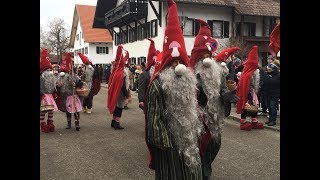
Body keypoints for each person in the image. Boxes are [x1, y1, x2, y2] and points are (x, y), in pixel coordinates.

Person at [145, 0, 204, 178]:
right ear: (167, 63)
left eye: (180, 62)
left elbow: (193, 108)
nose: (177, 66)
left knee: (193, 172)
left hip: (188, 138)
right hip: (168, 144)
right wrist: (163, 141)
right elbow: (154, 117)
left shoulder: (189, 81)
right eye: (173, 62)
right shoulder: (157, 84)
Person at [189, 19, 238, 180]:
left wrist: (229, 94)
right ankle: (202, 174)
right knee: (199, 148)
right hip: (198, 118)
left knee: (215, 145)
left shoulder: (218, 73)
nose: (206, 59)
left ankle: (205, 168)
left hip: (214, 118)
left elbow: (223, 89)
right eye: (202, 55)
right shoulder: (191, 74)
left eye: (208, 54)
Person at [236, 45, 264, 131]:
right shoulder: (248, 73)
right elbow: (245, 85)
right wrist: (248, 96)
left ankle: (254, 121)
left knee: (254, 106)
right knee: (246, 106)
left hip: (253, 93)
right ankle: (243, 122)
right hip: (248, 93)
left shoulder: (254, 71)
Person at [56, 52, 83, 131]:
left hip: (73, 95)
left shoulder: (74, 75)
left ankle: (77, 123)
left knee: (76, 110)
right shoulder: (60, 76)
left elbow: (80, 83)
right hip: (65, 96)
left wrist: (75, 84)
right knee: (68, 110)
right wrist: (58, 85)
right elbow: (56, 85)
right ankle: (69, 123)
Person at [107, 45, 129, 130]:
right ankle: (117, 123)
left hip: (115, 92)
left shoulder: (114, 71)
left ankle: (113, 121)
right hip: (120, 93)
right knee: (119, 108)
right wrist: (127, 95)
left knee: (116, 107)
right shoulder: (121, 73)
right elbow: (123, 86)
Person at [40, 49, 58, 133]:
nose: (49, 72)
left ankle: (50, 123)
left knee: (51, 110)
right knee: (43, 111)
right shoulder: (41, 77)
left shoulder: (51, 78)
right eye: (47, 70)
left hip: (50, 96)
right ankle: (43, 125)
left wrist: (57, 86)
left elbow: (53, 86)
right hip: (43, 96)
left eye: (49, 70)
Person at [138, 38, 159, 111]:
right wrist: (141, 100)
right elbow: (141, 88)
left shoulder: (159, 73)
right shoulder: (144, 75)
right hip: (148, 100)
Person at [262, 62, 280, 126]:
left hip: (275, 94)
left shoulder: (278, 75)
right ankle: (270, 119)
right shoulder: (266, 74)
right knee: (269, 107)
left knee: (273, 107)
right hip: (267, 93)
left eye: (270, 69)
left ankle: (273, 120)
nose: (268, 70)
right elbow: (264, 82)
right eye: (268, 69)